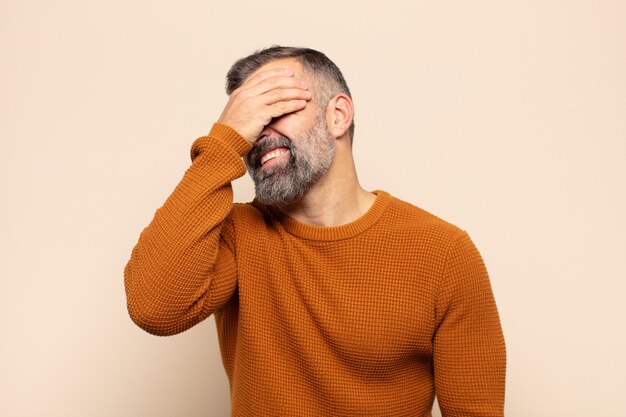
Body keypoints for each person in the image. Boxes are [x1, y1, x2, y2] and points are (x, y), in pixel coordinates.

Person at [124, 46, 506, 416]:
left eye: (276, 106)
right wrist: (223, 141)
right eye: (247, 118)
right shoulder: (236, 235)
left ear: (338, 115)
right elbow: (153, 308)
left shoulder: (443, 252)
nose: (258, 132)